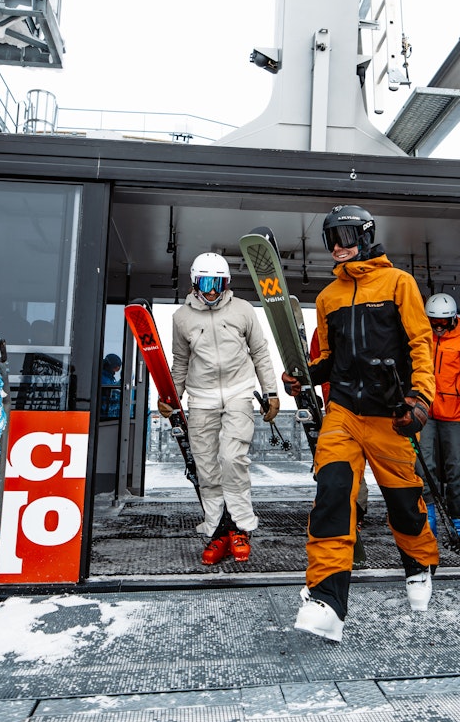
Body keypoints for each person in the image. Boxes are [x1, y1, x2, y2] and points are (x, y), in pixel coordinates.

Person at [284, 204, 438, 642]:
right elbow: (329, 359)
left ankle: (418, 565)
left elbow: (420, 342)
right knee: (333, 491)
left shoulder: (398, 283)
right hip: (345, 412)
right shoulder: (328, 297)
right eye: (330, 238)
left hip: (392, 414)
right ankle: (328, 599)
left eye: (346, 236)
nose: (337, 246)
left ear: (366, 237)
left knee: (404, 506)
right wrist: (305, 376)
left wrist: (420, 396)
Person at [163, 252, 279, 565]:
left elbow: (260, 353)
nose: (211, 291)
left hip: (239, 392)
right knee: (206, 467)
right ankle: (217, 531)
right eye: (205, 282)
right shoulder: (181, 318)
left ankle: (241, 527)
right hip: (201, 397)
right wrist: (172, 397)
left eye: (217, 283)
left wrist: (271, 393)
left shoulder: (243, 310)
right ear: (194, 282)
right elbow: (180, 362)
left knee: (232, 457)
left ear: (226, 283)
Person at [418, 293, 460, 543]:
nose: (438, 326)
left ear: (453, 319)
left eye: (443, 322)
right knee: (423, 466)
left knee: (455, 468)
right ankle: (428, 511)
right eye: (434, 322)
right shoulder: (422, 339)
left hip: (455, 413)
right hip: (426, 411)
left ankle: (459, 515)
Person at [99, 354, 123, 419]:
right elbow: (110, 389)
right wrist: (121, 382)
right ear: (109, 366)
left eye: (117, 369)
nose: (115, 372)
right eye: (115, 368)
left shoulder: (110, 378)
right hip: (102, 413)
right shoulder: (101, 376)